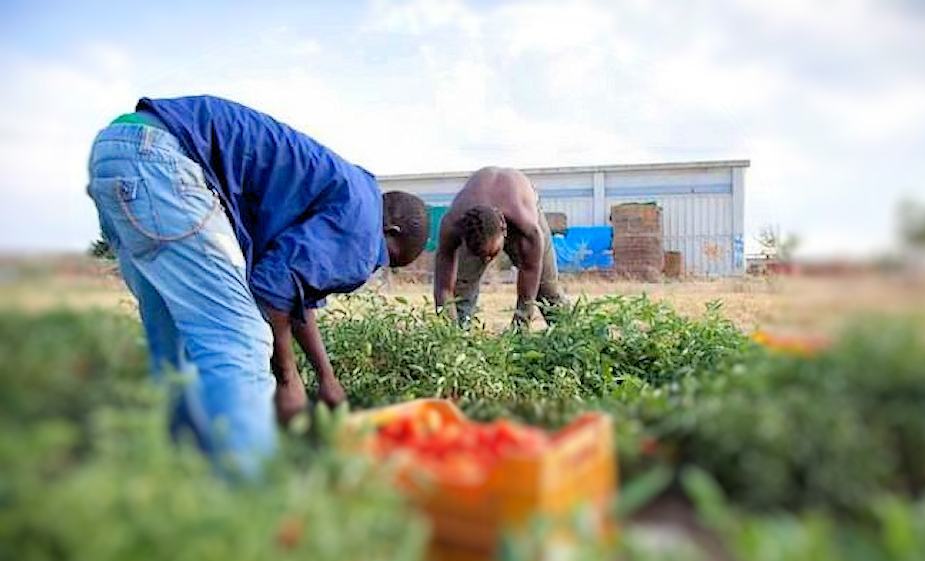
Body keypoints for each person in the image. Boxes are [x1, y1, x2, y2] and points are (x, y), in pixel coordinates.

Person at [86, 95, 428, 474]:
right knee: (242, 340)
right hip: (164, 161)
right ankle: (253, 502)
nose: (372, 267)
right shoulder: (364, 231)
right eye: (386, 259)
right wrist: (289, 379)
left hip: (120, 150)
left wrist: (326, 378)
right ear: (389, 232)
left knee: (176, 347)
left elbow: (295, 292)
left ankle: (183, 476)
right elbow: (273, 288)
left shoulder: (350, 194)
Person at [433, 166, 566, 327]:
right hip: (477, 216)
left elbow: (529, 280)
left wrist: (519, 328)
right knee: (460, 292)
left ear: (504, 229)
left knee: (547, 292)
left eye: (492, 253)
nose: (488, 260)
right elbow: (443, 289)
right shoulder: (453, 225)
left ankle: (570, 337)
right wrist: (448, 332)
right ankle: (459, 337)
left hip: (520, 200)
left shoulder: (528, 227)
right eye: (481, 255)